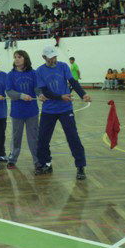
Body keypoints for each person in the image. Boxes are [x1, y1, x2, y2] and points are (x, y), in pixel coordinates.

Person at [35, 46, 92, 179]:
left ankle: (80, 166)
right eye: (50, 57)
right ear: (44, 58)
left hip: (65, 109)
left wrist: (83, 94)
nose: (53, 59)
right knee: (43, 138)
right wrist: (61, 97)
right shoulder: (39, 71)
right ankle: (45, 163)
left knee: (73, 136)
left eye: (55, 57)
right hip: (49, 110)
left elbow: (73, 82)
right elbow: (46, 92)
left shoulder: (63, 66)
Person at [6, 50, 39, 170]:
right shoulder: (11, 75)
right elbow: (9, 92)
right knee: (16, 137)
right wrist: (21, 96)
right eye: (15, 57)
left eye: (19, 57)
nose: (16, 59)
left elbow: (37, 88)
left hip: (32, 112)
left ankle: (37, 161)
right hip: (17, 112)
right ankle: (12, 159)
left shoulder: (33, 73)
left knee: (34, 137)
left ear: (25, 58)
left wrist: (40, 94)